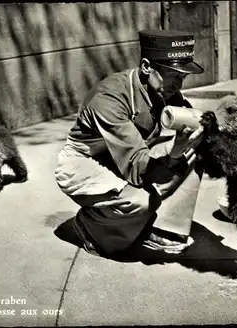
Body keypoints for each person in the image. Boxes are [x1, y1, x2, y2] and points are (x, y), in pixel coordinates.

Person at [54, 29, 206, 258]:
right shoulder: (109, 98)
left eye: (182, 77)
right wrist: (174, 152)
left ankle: (160, 227)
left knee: (195, 150)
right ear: (147, 67)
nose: (178, 84)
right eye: (173, 75)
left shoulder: (163, 90)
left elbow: (188, 121)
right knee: (140, 200)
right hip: (85, 161)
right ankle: (91, 227)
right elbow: (137, 167)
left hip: (127, 153)